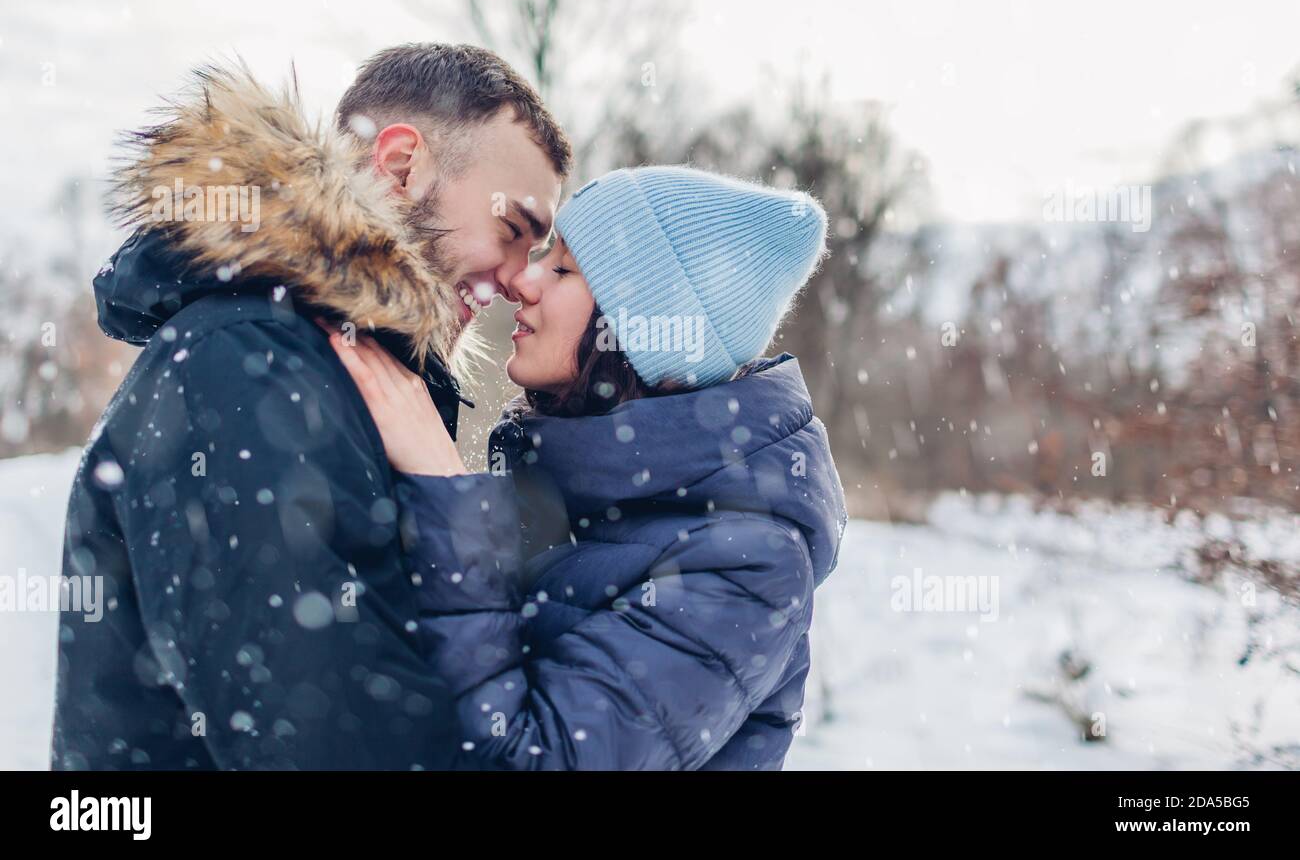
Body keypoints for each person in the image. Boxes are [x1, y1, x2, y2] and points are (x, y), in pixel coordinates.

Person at [51, 44, 572, 769]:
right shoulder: (245, 365)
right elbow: (332, 744)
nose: (520, 282)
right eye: (513, 232)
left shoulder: (333, 368)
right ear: (398, 166)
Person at [328, 166, 847, 769]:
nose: (523, 280)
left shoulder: (751, 565)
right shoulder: (570, 493)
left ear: (640, 335)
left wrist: (447, 495)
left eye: (565, 269)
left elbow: (532, 759)